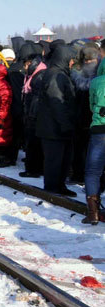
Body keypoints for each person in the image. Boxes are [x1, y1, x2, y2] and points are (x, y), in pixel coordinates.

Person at [35, 44, 76, 196]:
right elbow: (56, 102)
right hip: (53, 127)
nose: (72, 62)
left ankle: (59, 186)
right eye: (71, 59)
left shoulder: (60, 73)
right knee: (54, 161)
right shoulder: (54, 75)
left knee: (63, 160)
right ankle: (52, 189)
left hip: (57, 126)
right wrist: (65, 124)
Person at [70, 44, 99, 184]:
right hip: (88, 117)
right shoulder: (96, 75)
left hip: (83, 116)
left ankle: (80, 174)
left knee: (82, 148)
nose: (89, 63)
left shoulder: (77, 73)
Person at [83, 57, 105, 224]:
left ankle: (93, 213)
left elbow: (91, 106)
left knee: (93, 171)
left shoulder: (96, 82)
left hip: (99, 130)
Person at [19, 43, 46, 178]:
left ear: (30, 63)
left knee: (34, 144)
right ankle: (33, 167)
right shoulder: (32, 74)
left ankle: (33, 169)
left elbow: (37, 98)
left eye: (25, 65)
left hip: (34, 116)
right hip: (31, 114)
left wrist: (31, 116)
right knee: (32, 144)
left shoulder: (39, 75)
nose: (24, 68)